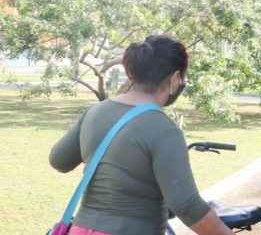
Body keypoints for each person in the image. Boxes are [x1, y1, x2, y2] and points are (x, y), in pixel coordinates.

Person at [49, 35, 236, 235]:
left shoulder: (95, 112)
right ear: (175, 79)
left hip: (81, 229)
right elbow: (186, 205)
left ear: (131, 73)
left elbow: (59, 160)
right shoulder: (164, 130)